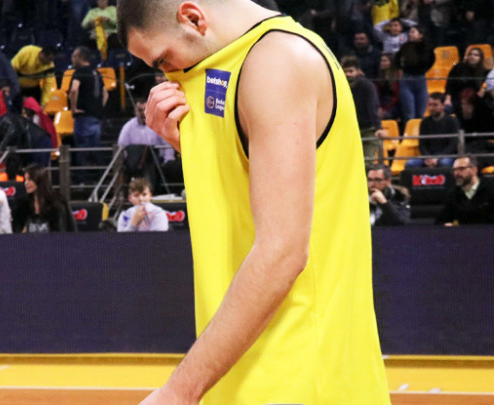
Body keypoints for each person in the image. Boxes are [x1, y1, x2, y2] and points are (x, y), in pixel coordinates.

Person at [118, 1, 390, 404]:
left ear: (192, 18)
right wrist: (189, 145)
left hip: (300, 378)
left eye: (163, 60)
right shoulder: (228, 64)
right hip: (249, 373)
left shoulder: (277, 63)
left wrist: (178, 392)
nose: (167, 75)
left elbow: (281, 253)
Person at [69, 46, 108, 181]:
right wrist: (98, 108)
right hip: (96, 117)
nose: (72, 59)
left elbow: (74, 90)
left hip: (83, 117)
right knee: (96, 149)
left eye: (74, 56)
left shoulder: (79, 72)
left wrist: (73, 108)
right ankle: (101, 178)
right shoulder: (96, 72)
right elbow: (105, 93)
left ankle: (82, 180)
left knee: (82, 150)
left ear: (80, 58)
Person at [342, 57, 386, 160]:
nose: (348, 74)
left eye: (351, 71)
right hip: (349, 129)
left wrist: (378, 127)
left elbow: (373, 107)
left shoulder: (367, 86)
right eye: (345, 71)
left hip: (368, 129)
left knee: (368, 161)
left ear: (358, 71)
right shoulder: (340, 86)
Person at [12, 164, 75, 233]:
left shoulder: (57, 202)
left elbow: (68, 229)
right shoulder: (22, 204)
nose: (25, 183)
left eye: (29, 179)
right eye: (25, 179)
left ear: (39, 180)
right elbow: (17, 230)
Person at [405, 92, 459, 169]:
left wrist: (438, 158)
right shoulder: (424, 122)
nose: (432, 108)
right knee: (410, 164)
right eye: (430, 105)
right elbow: (422, 145)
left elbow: (453, 145)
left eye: (435, 105)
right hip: (428, 156)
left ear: (443, 106)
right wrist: (428, 157)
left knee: (444, 163)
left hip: (446, 155)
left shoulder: (452, 121)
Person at [436, 155, 494, 225]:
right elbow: (441, 221)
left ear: (474, 170)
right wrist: (445, 225)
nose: (456, 173)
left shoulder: (490, 189)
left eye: (461, 169)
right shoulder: (454, 194)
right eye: (454, 170)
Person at [395, 25, 434, 122]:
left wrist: (423, 70)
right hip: (407, 79)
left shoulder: (427, 47)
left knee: (420, 114)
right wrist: (401, 69)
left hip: (421, 79)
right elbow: (397, 59)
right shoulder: (405, 47)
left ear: (420, 35)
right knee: (410, 114)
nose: (410, 34)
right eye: (410, 32)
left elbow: (431, 60)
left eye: (413, 32)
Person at [444, 47, 489, 117]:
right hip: (457, 98)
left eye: (476, 55)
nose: (472, 56)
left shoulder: (484, 71)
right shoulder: (458, 67)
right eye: (470, 54)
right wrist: (448, 98)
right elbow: (449, 84)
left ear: (480, 58)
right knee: (446, 108)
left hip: (474, 99)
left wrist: (483, 89)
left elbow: (486, 83)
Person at [375, 53, 400, 120]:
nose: (382, 63)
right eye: (381, 61)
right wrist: (380, 107)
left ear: (391, 62)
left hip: (394, 104)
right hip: (382, 102)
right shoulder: (379, 76)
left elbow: (397, 97)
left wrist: (385, 109)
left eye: (384, 61)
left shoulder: (397, 75)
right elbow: (377, 94)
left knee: (387, 115)